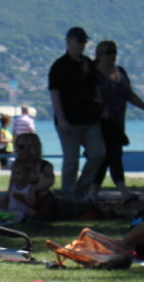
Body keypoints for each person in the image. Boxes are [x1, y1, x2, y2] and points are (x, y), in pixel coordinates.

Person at [92, 40, 144, 203]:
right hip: (100, 123)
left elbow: (130, 95)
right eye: (108, 53)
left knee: (112, 155)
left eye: (114, 52)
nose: (112, 56)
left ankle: (95, 191)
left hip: (117, 122)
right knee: (108, 155)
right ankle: (121, 190)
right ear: (99, 55)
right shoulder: (94, 73)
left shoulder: (121, 72)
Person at [48, 26, 105, 202]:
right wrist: (62, 119)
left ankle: (81, 190)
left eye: (84, 42)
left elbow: (96, 89)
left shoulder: (88, 64)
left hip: (90, 120)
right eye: (79, 41)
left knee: (98, 154)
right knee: (71, 161)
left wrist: (102, 107)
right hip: (69, 122)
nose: (82, 45)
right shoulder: (59, 66)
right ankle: (68, 194)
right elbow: (55, 95)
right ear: (69, 41)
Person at [4, 132, 54, 220]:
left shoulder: (44, 166)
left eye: (21, 147)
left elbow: (50, 181)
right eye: (16, 147)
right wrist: (5, 201)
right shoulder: (16, 165)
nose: (17, 150)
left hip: (37, 203)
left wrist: (33, 188)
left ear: (32, 148)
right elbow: (11, 186)